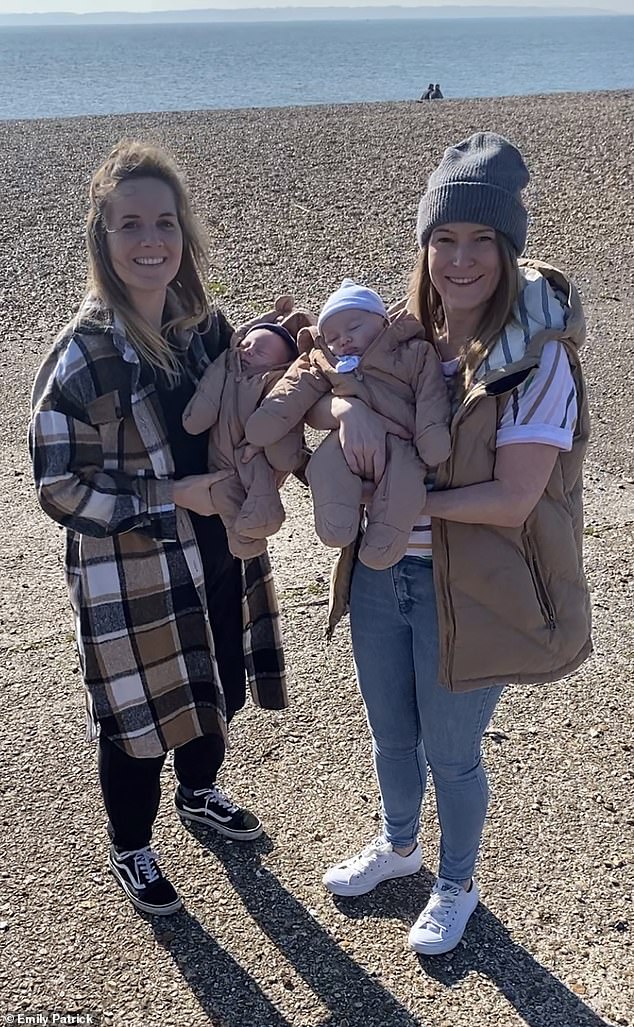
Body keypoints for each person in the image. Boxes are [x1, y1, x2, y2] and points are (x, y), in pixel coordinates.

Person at [309, 132, 591, 955]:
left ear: (508, 249)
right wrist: (347, 412)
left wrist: (409, 494)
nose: (459, 260)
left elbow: (511, 499)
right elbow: (319, 383)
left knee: (452, 753)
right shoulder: (403, 333)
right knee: (390, 734)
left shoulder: (539, 361)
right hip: (379, 572)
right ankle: (400, 847)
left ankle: (457, 882)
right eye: (443, 240)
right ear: (424, 247)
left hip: (468, 586)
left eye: (480, 241)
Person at [29, 140, 289, 917]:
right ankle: (131, 845)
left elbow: (251, 418)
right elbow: (58, 485)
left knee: (214, 689)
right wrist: (173, 494)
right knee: (135, 723)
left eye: (166, 223)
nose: (152, 242)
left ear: (186, 234)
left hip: (218, 554)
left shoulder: (211, 330)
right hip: (131, 573)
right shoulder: (80, 357)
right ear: (102, 240)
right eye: (131, 224)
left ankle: (201, 791)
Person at [244, 279, 451, 570]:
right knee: (324, 467)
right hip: (343, 440)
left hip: (402, 444)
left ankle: (386, 537)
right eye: (332, 336)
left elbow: (432, 393)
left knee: (404, 483)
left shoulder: (412, 353)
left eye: (354, 328)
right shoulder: (324, 360)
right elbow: (295, 387)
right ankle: (336, 521)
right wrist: (271, 417)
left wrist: (431, 434)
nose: (343, 340)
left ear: (382, 323)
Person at [182, 308, 314, 559]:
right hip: (219, 456)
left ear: (280, 363)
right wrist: (196, 418)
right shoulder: (227, 366)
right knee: (223, 494)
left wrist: (274, 447)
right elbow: (207, 394)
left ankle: (267, 515)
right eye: (247, 343)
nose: (249, 350)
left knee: (261, 483)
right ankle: (243, 540)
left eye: (261, 351)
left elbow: (283, 412)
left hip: (252, 453)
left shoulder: (275, 380)